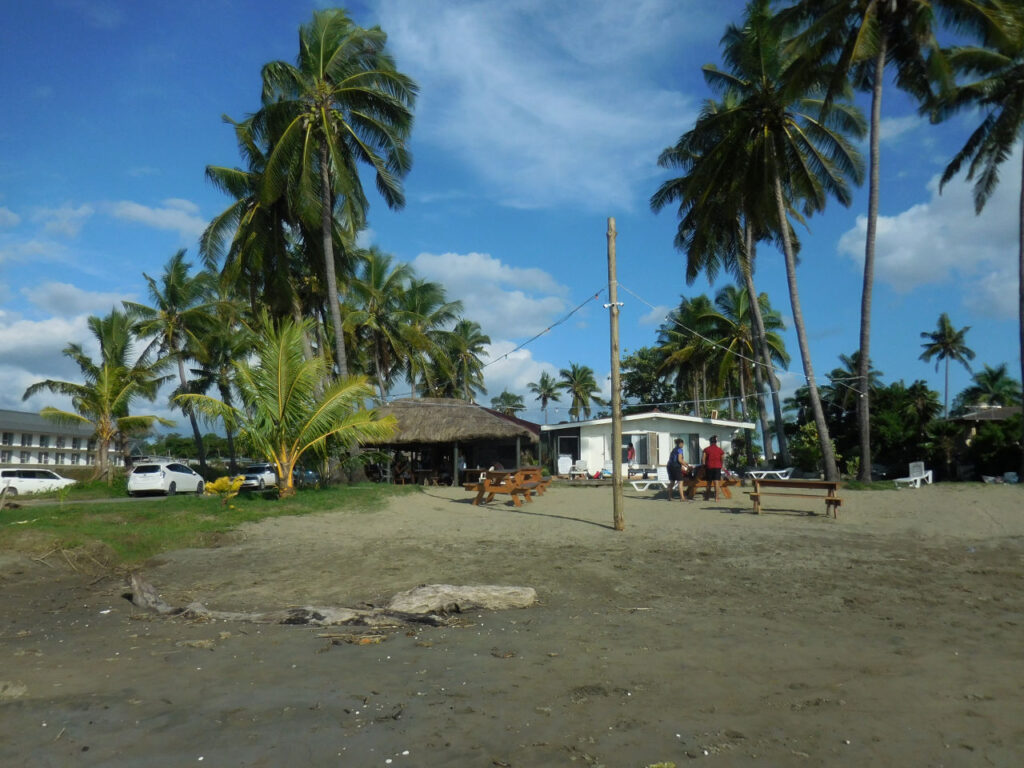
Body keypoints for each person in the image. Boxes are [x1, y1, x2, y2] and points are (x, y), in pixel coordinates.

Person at [702, 435, 725, 501]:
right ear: (716, 442)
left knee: (709, 482)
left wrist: (703, 466)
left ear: (710, 442)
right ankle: (716, 498)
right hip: (717, 467)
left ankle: (707, 497)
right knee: (716, 482)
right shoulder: (719, 450)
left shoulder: (706, 449)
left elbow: (703, 459)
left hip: (709, 466)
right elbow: (722, 458)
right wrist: (721, 465)